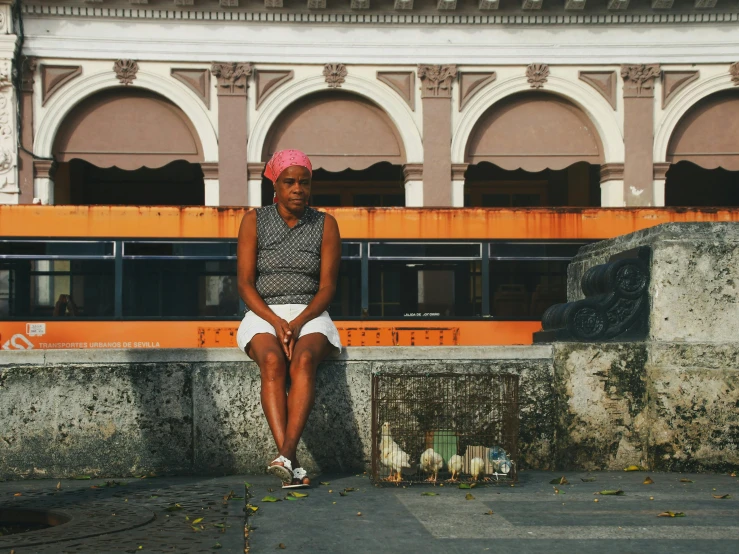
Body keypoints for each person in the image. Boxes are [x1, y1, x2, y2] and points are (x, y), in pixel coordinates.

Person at [236, 149, 342, 488]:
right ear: (276, 186)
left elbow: (327, 286)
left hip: (311, 314)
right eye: (290, 182)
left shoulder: (326, 224)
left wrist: (297, 323)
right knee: (271, 361)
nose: (298, 189)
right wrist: (275, 320)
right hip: (262, 312)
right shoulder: (254, 220)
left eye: (304, 183)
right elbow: (245, 283)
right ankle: (292, 461)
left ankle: (284, 455)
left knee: (305, 359)